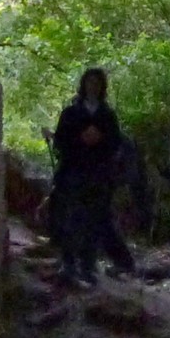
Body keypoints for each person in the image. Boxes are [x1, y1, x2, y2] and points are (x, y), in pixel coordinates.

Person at [48, 68, 122, 288]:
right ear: (83, 85)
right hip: (73, 172)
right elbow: (60, 141)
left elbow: (115, 144)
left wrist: (100, 140)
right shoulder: (71, 113)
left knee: (94, 221)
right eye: (89, 82)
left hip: (99, 174)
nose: (93, 86)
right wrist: (80, 139)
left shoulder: (107, 115)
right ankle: (68, 264)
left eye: (97, 83)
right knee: (70, 218)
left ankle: (87, 266)